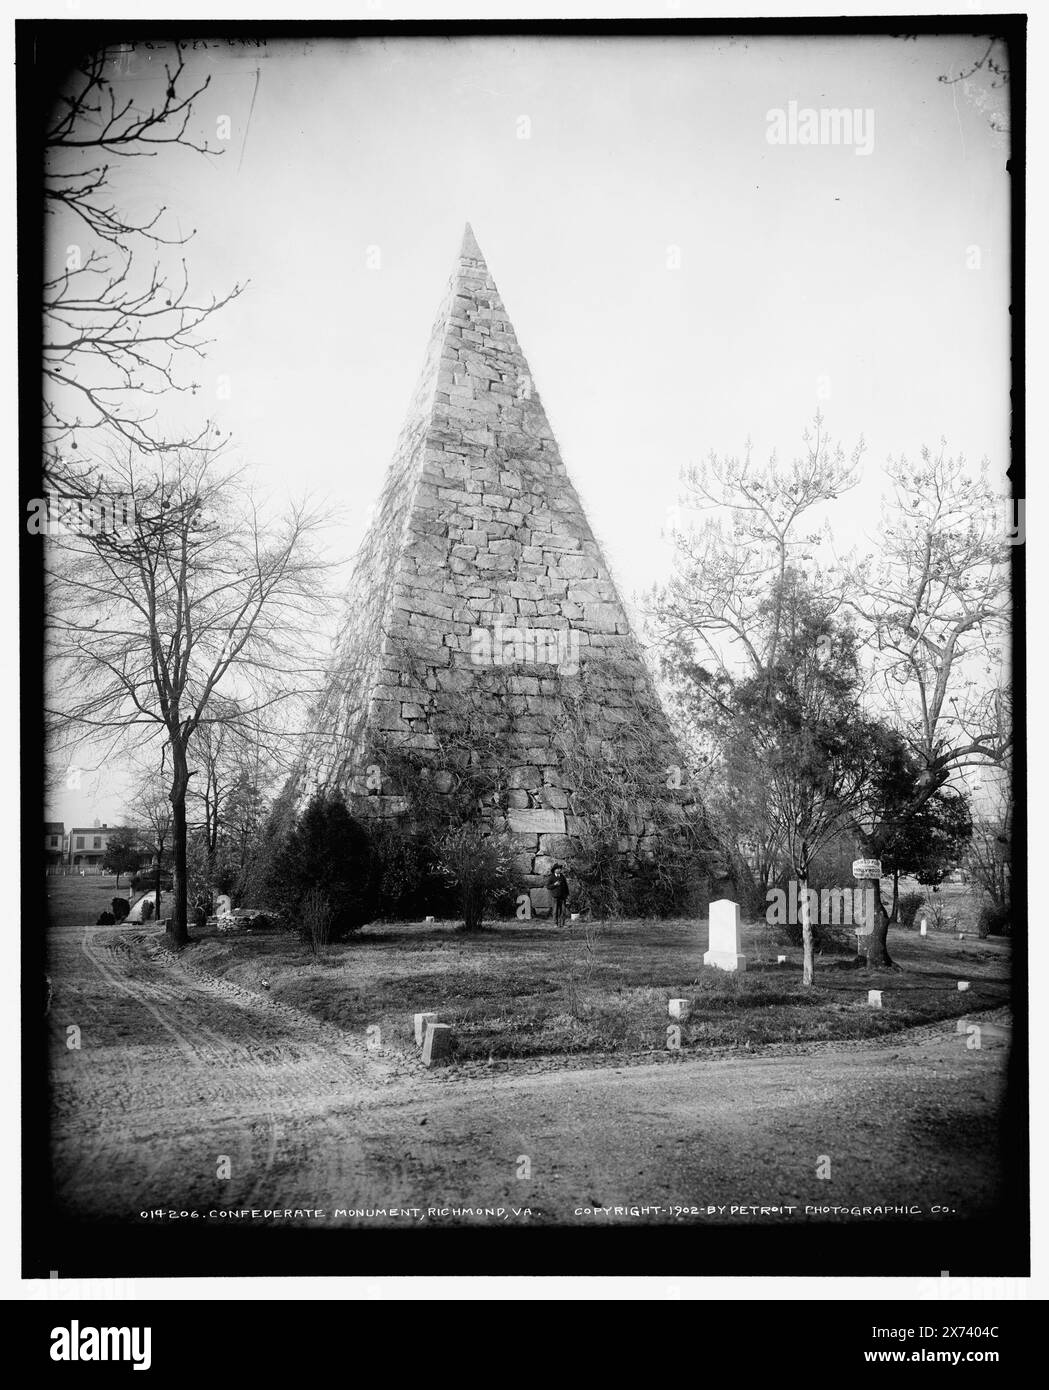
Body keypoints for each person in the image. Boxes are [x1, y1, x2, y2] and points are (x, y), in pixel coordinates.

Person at [545, 863, 570, 928]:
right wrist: (554, 884)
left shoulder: (562, 877)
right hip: (555, 897)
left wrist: (567, 895)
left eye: (560, 869)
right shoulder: (552, 877)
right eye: (558, 869)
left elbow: (566, 886)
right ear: (554, 870)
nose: (559, 870)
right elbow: (548, 886)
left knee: (563, 911)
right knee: (555, 911)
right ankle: (555, 924)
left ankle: (562, 924)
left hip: (563, 897)